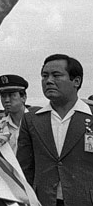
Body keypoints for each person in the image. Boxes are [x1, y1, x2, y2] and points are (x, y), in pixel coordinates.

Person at [17, 54, 93, 206]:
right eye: (44, 76)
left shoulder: (89, 116)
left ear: (76, 81)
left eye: (56, 75)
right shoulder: (31, 120)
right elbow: (25, 168)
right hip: (44, 201)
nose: (48, 81)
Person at [0, 74, 29, 153]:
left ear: (23, 97)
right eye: (3, 96)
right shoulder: (0, 126)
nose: (6, 100)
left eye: (11, 95)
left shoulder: (36, 121)